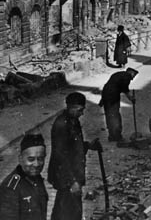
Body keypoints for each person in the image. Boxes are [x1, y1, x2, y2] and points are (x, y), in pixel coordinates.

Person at [48, 92, 101, 220]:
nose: (82, 113)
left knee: (66, 208)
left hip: (73, 174)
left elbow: (73, 146)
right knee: (68, 211)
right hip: (66, 177)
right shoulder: (62, 124)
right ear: (71, 107)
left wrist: (88, 145)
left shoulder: (73, 120)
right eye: (80, 110)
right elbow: (60, 155)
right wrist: (72, 181)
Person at [0, 133, 48, 220]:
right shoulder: (11, 188)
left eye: (40, 159)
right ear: (20, 159)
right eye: (31, 159)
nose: (36, 164)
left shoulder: (37, 179)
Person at [99, 67, 139, 142]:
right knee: (115, 116)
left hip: (106, 95)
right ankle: (117, 137)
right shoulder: (127, 77)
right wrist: (131, 98)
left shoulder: (118, 74)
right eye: (134, 75)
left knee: (109, 115)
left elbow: (110, 85)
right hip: (113, 97)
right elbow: (125, 90)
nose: (133, 78)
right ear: (131, 73)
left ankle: (111, 136)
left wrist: (102, 100)